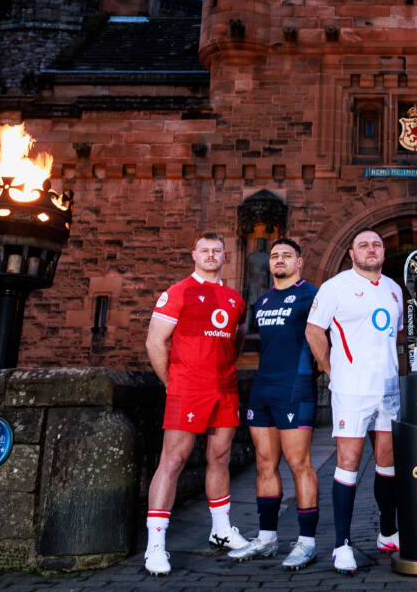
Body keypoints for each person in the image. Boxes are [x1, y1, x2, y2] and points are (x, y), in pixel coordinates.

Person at [143, 232, 249, 576]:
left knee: (219, 457)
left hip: (225, 389)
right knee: (172, 460)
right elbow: (155, 342)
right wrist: (172, 383)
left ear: (225, 257)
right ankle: (155, 545)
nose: (211, 255)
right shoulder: (178, 292)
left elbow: (238, 340)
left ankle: (220, 530)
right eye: (204, 250)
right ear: (194, 254)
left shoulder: (235, 299)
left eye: (217, 251)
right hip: (188, 388)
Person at [305, 229, 405, 574]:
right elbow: (314, 330)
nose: (371, 249)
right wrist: (332, 370)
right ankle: (341, 545)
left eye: (376, 244)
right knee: (348, 462)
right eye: (363, 245)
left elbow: (394, 338)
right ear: (352, 253)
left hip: (388, 390)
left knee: (388, 462)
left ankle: (388, 532)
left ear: (383, 251)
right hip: (352, 390)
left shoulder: (394, 290)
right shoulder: (335, 286)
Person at [227, 237, 321, 570]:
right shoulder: (262, 301)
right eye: (275, 256)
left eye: (287, 255)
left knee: (299, 463)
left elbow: (326, 338)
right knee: (265, 464)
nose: (279, 259)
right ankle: (266, 538)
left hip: (295, 388)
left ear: (300, 262)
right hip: (263, 389)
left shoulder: (312, 296)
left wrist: (322, 371)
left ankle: (307, 542)